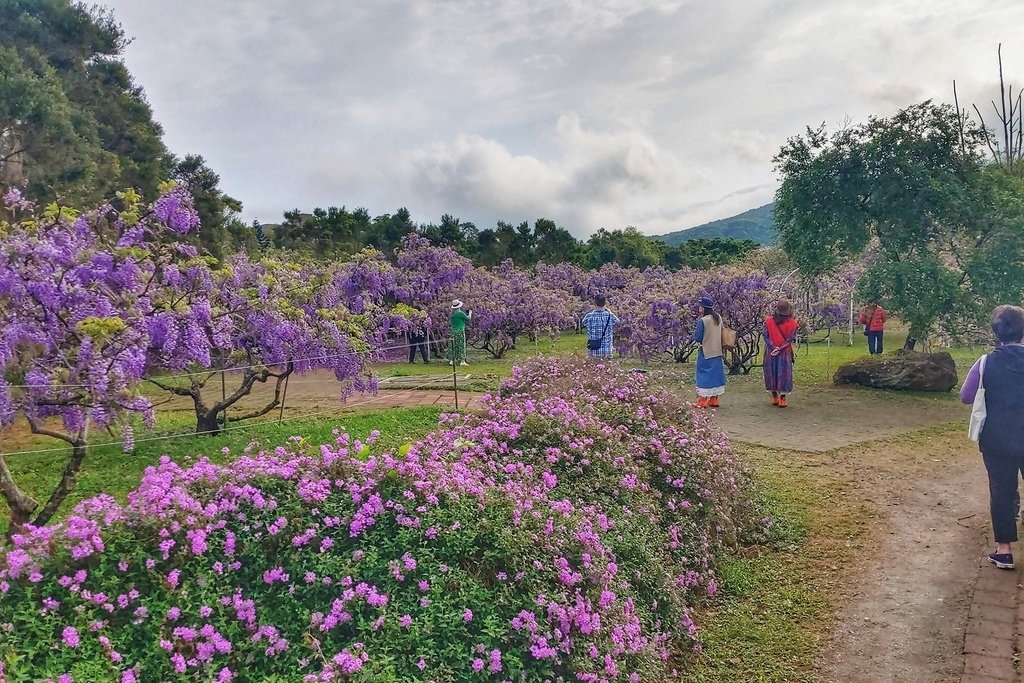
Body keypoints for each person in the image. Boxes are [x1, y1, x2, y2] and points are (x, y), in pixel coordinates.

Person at [960, 305, 1024, 570]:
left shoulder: (985, 363)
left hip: (997, 438)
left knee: (1001, 490)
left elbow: (966, 396)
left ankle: (1004, 551)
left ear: (996, 333)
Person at [763, 299, 798, 407]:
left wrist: (773, 347)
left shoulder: (768, 321)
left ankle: (774, 397)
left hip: (770, 352)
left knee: (771, 373)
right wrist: (780, 348)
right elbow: (789, 339)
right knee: (783, 374)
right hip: (784, 353)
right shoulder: (793, 323)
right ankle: (782, 399)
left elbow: (765, 335)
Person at [693, 296, 726, 408]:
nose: (698, 308)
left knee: (703, 374)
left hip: (706, 351)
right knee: (715, 375)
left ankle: (703, 399)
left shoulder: (703, 321)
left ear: (703, 308)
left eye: (700, 306)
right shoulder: (718, 318)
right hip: (718, 350)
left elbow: (698, 337)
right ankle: (714, 399)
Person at [581, 294, 619, 358]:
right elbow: (617, 322)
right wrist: (609, 311)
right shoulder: (610, 316)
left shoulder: (589, 316)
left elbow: (584, 323)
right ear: (605, 303)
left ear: (594, 303)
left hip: (593, 350)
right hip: (606, 351)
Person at [449, 300, 472, 366]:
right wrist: (470, 313)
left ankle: (452, 360)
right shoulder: (459, 313)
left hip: (453, 331)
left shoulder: (452, 314)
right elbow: (468, 319)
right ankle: (462, 361)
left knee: (454, 345)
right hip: (460, 331)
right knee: (461, 345)